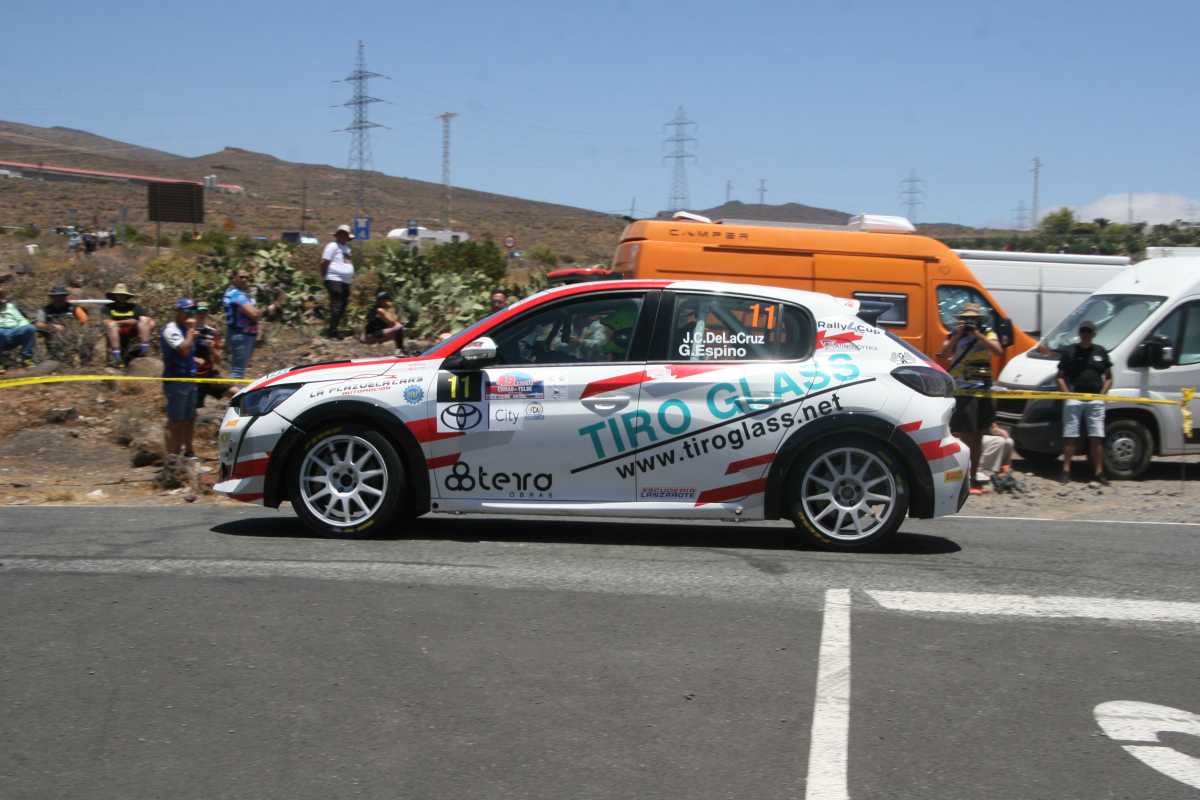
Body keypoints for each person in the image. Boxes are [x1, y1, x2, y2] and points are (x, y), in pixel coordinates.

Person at [939, 303, 1004, 494]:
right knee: (965, 436)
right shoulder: (955, 334)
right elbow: (943, 354)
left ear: (979, 320)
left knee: (978, 437)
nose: (969, 322)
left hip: (982, 391)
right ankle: (962, 478)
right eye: (966, 319)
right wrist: (958, 335)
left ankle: (973, 476)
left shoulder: (987, 333)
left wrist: (977, 334)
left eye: (973, 319)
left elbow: (998, 351)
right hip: (964, 392)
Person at [1056, 319, 1113, 484]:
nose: (1085, 334)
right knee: (1070, 436)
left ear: (1094, 334)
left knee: (1097, 437)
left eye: (1089, 331)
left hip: (1095, 400)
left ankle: (1099, 472)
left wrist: (1102, 395)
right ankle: (1066, 471)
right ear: (1079, 333)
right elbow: (1059, 377)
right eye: (1083, 331)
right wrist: (1067, 395)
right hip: (1074, 399)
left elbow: (1109, 377)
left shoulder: (1101, 351)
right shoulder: (1070, 351)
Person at [161, 298, 199, 458]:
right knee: (175, 421)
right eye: (187, 311)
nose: (190, 315)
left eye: (192, 312)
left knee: (190, 418)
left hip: (190, 379)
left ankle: (189, 452)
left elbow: (189, 353)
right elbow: (183, 349)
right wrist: (190, 333)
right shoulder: (171, 329)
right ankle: (172, 457)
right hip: (176, 380)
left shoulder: (186, 329)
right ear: (178, 312)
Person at [223, 268, 267, 379]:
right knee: (237, 372)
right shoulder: (236, 294)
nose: (244, 279)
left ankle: (237, 388)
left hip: (245, 334)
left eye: (247, 277)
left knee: (240, 370)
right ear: (233, 278)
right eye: (241, 277)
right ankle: (235, 390)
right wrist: (270, 307)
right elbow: (254, 314)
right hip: (240, 335)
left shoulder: (240, 293)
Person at [102, 283, 154, 367]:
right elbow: (106, 321)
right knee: (111, 325)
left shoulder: (134, 307)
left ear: (126, 296)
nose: (121, 297)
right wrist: (126, 322)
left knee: (145, 320)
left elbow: (141, 320)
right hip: (116, 330)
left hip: (132, 330)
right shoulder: (108, 307)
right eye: (119, 295)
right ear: (115, 296)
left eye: (123, 295)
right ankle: (117, 357)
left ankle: (144, 349)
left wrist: (119, 322)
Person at [34, 284, 88, 361]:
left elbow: (85, 321)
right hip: (52, 339)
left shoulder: (74, 308)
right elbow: (38, 324)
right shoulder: (45, 310)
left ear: (65, 297)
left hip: (72, 339)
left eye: (61, 296)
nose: (58, 299)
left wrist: (77, 331)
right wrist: (53, 327)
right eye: (56, 297)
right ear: (52, 297)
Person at [320, 224, 355, 338]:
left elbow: (347, 262)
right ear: (338, 235)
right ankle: (332, 332)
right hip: (334, 278)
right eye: (341, 234)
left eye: (345, 234)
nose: (343, 236)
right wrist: (324, 276)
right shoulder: (332, 246)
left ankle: (334, 329)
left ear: (348, 237)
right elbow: (324, 262)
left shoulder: (347, 249)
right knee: (337, 304)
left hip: (345, 281)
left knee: (343, 305)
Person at [192, 302, 228, 407]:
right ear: (194, 313)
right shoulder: (187, 330)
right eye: (199, 311)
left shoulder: (212, 332)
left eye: (204, 311)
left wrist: (211, 348)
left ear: (207, 313)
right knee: (192, 409)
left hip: (208, 374)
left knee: (235, 392)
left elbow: (218, 360)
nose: (201, 314)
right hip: (191, 376)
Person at [0, 287, 35, 372]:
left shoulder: (10, 306)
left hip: (14, 331)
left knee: (29, 328)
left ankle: (26, 359)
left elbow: (21, 320)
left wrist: (22, 328)